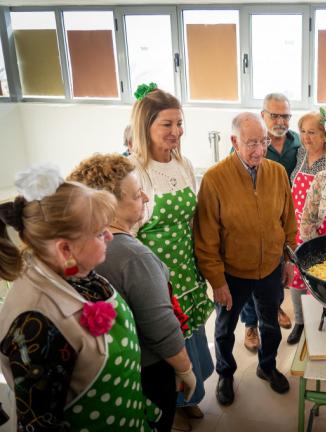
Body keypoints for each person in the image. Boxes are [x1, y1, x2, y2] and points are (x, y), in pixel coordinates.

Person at [0, 165, 160, 431]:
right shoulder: (34, 326)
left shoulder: (74, 271)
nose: (110, 235)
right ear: (66, 249)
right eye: (99, 233)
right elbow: (39, 424)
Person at [69, 154, 197, 432]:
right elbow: (161, 328)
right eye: (139, 195)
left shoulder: (77, 247)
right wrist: (186, 371)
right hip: (147, 370)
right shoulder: (134, 257)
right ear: (110, 205)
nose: (147, 199)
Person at [194, 112, 296, 407]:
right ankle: (225, 374)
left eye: (263, 142)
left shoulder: (277, 173)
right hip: (232, 273)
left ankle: (267, 366)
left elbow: (288, 220)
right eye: (251, 143)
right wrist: (217, 281)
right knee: (225, 328)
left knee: (270, 324)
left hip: (270, 268)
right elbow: (206, 238)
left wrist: (287, 260)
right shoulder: (215, 179)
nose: (260, 150)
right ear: (234, 141)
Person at [128, 84, 213, 426]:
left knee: (190, 335)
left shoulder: (183, 164)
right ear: (145, 126)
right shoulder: (135, 171)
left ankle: (187, 395)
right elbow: (128, 234)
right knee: (163, 340)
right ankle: (168, 403)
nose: (176, 132)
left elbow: (193, 220)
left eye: (179, 123)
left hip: (185, 268)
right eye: (167, 124)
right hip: (154, 276)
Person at [239, 93, 299, 350]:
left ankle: (274, 309)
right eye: (274, 115)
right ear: (262, 115)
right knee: (250, 277)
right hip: (253, 222)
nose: (280, 120)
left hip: (282, 218)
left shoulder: (298, 145)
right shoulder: (251, 146)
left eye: (285, 115)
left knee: (273, 279)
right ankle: (250, 325)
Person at [286, 110, 326, 345]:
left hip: (319, 227)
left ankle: (320, 322)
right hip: (296, 225)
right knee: (296, 278)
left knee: (317, 275)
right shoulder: (300, 153)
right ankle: (300, 323)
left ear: (324, 134)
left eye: (312, 132)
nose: (306, 137)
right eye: (302, 131)